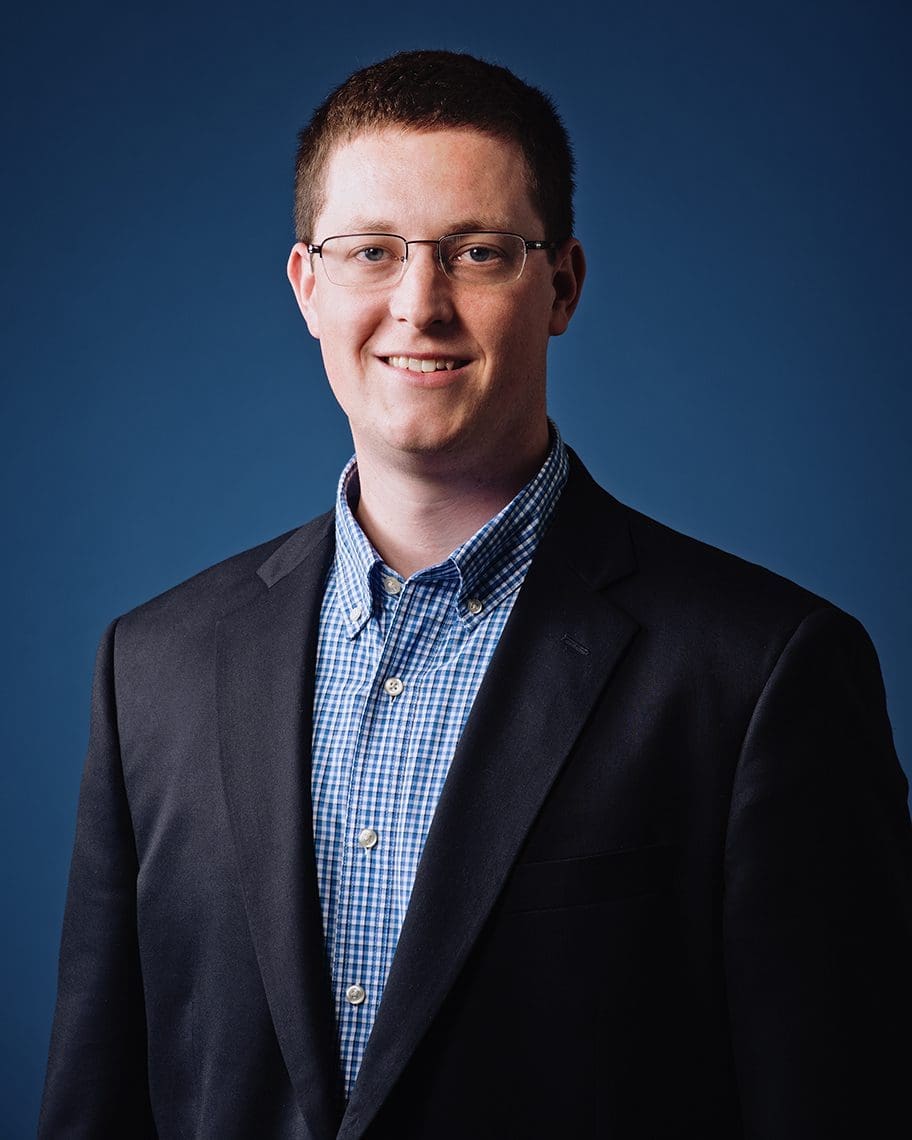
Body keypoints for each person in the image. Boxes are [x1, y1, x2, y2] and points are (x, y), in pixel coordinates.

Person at [40, 49, 911, 1140]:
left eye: (478, 252)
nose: (420, 304)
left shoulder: (765, 673)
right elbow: (95, 1105)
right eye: (371, 253)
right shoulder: (152, 668)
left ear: (562, 287)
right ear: (308, 287)